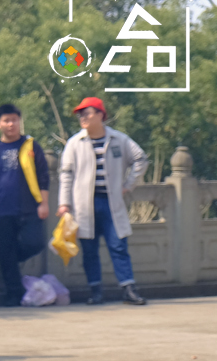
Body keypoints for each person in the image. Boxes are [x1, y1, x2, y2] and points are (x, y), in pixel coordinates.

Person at [59, 97, 149, 306]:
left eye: (87, 113)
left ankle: (128, 289)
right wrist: (64, 204)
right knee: (89, 249)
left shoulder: (119, 139)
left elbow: (141, 159)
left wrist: (128, 184)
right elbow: (66, 173)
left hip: (111, 203)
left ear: (100, 115)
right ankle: (96, 291)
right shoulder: (75, 143)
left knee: (118, 246)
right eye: (80, 114)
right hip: (84, 205)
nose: (82, 117)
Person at [0, 104, 51, 306]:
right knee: (5, 254)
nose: (11, 124)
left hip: (28, 207)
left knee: (35, 243)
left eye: (14, 120)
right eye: (6, 120)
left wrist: (44, 203)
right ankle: (14, 294)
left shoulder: (31, 146)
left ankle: (16, 261)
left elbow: (43, 175)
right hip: (1, 209)